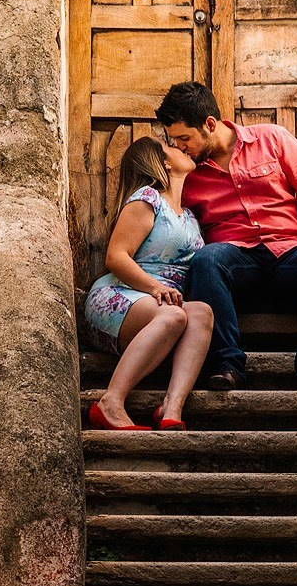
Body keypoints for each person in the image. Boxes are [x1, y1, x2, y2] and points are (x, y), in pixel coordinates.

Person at [154, 81, 297, 391]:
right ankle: (227, 364)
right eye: (174, 140)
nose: (179, 146)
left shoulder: (271, 138)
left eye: (184, 138)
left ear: (209, 124)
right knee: (206, 260)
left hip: (290, 255)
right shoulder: (187, 172)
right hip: (233, 263)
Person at [80, 135, 216, 431]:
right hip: (119, 295)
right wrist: (155, 288)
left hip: (161, 306)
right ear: (164, 162)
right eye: (171, 145)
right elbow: (116, 257)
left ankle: (172, 406)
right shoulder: (148, 198)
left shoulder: (190, 217)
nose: (180, 147)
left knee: (202, 313)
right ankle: (110, 402)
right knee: (174, 315)